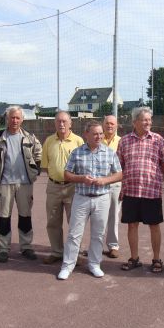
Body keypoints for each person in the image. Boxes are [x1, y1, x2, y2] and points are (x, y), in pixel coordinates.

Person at [57, 121, 122, 280]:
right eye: (95, 134)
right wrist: (81, 178)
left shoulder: (109, 152)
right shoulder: (77, 153)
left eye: (100, 133)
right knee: (74, 234)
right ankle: (68, 265)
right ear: (86, 135)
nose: (99, 136)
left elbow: (119, 174)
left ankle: (94, 264)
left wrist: (105, 181)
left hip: (102, 199)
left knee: (98, 234)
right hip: (81, 198)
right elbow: (67, 174)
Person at [0, 106, 42, 263]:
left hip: (25, 184)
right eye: (12, 118)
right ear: (6, 119)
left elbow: (38, 153)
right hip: (4, 183)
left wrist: (34, 172)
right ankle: (3, 249)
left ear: (22, 119)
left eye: (17, 118)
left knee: (25, 216)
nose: (14, 120)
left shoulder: (30, 137)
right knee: (3, 217)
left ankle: (26, 247)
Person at [117, 106, 164, 273]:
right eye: (144, 119)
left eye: (149, 119)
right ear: (135, 122)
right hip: (131, 191)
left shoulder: (158, 140)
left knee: (154, 225)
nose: (148, 122)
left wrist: (154, 176)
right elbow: (120, 165)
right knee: (131, 225)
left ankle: (156, 259)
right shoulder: (124, 141)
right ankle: (134, 258)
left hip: (151, 191)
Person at [41, 111, 84, 264]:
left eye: (64, 121)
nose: (61, 124)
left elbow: (83, 165)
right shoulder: (48, 141)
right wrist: (56, 177)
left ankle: (74, 254)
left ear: (70, 123)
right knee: (53, 222)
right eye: (58, 121)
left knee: (75, 222)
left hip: (73, 188)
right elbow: (45, 166)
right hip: (53, 187)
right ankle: (57, 252)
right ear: (54, 123)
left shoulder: (78, 141)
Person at [101, 115, 122, 258]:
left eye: (112, 124)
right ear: (103, 125)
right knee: (99, 216)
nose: (109, 126)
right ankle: (96, 245)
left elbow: (125, 164)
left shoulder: (122, 141)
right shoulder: (96, 138)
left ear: (117, 126)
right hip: (99, 184)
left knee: (114, 216)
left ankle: (113, 246)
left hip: (116, 184)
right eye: (107, 123)